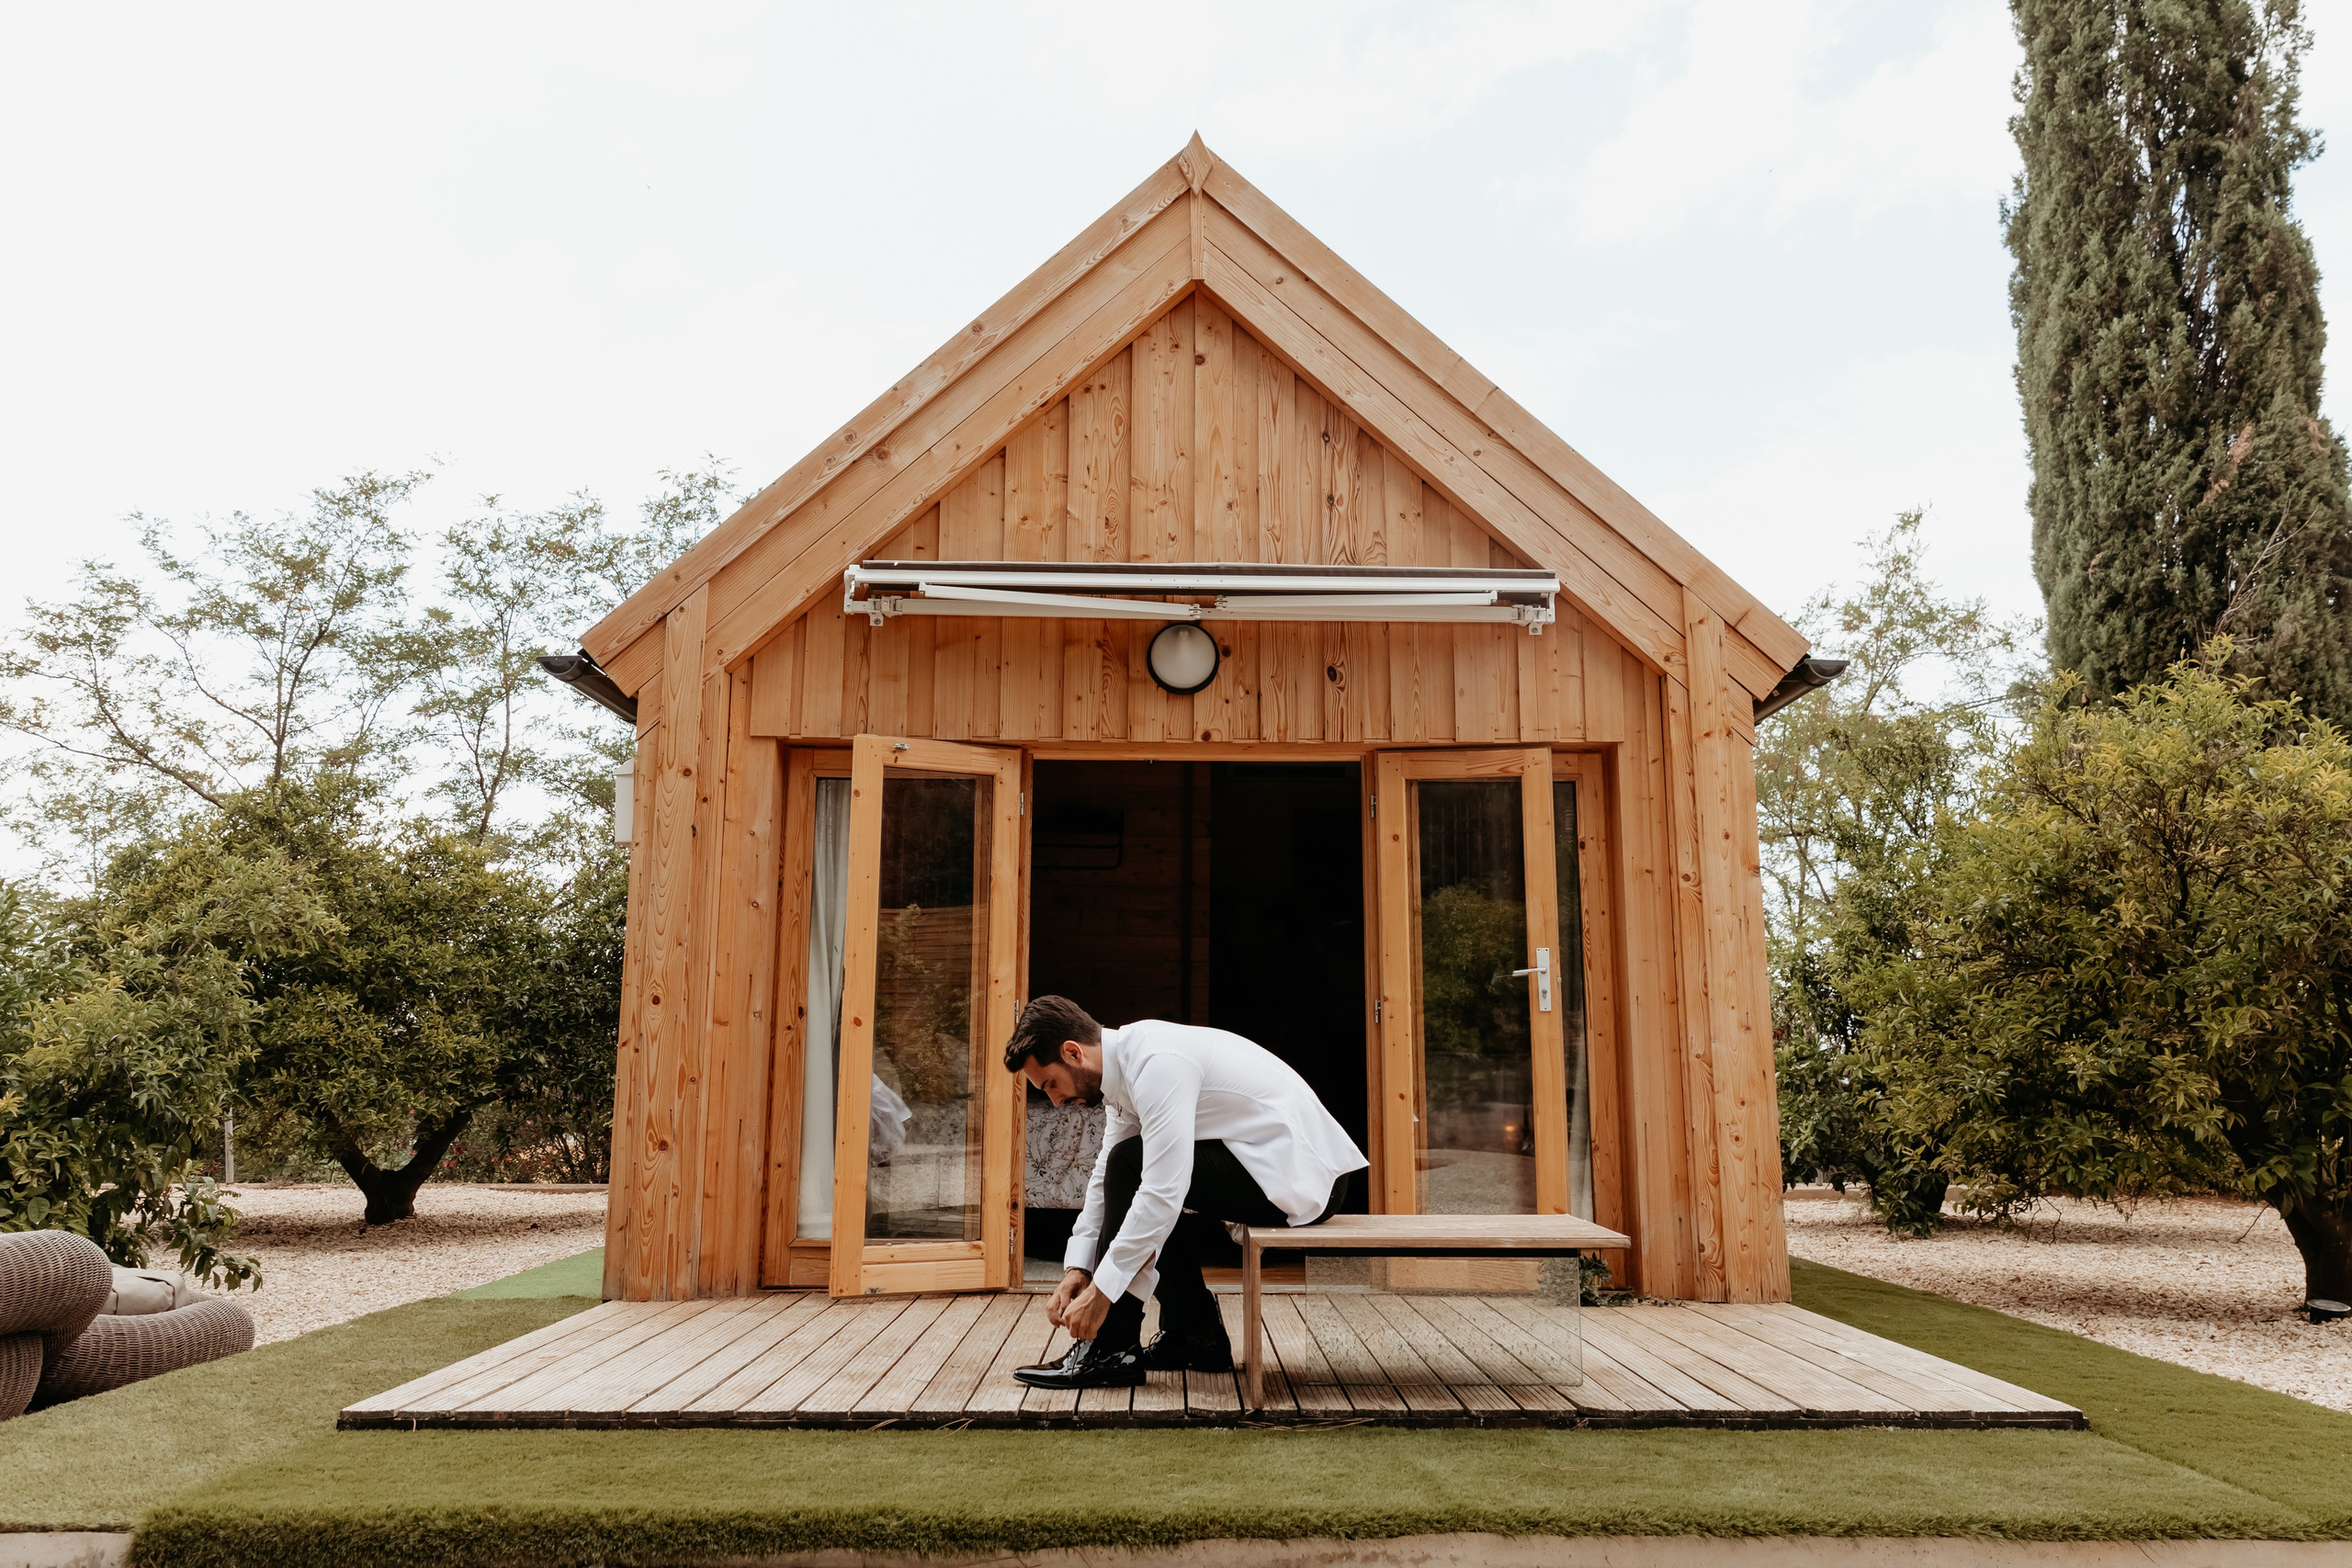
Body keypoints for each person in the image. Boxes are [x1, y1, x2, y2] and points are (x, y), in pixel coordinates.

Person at [1004, 995, 1367, 1390]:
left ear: (1073, 1052)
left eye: (1051, 1084)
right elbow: (1106, 1177)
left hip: (1303, 1177)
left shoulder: (1157, 1064)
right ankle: (1194, 1334)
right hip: (1270, 1165)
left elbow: (1162, 1191)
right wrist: (1079, 1266)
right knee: (1129, 1166)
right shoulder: (1126, 1070)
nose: (1055, 1102)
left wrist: (1103, 1293)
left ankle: (1111, 1348)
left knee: (1139, 1167)